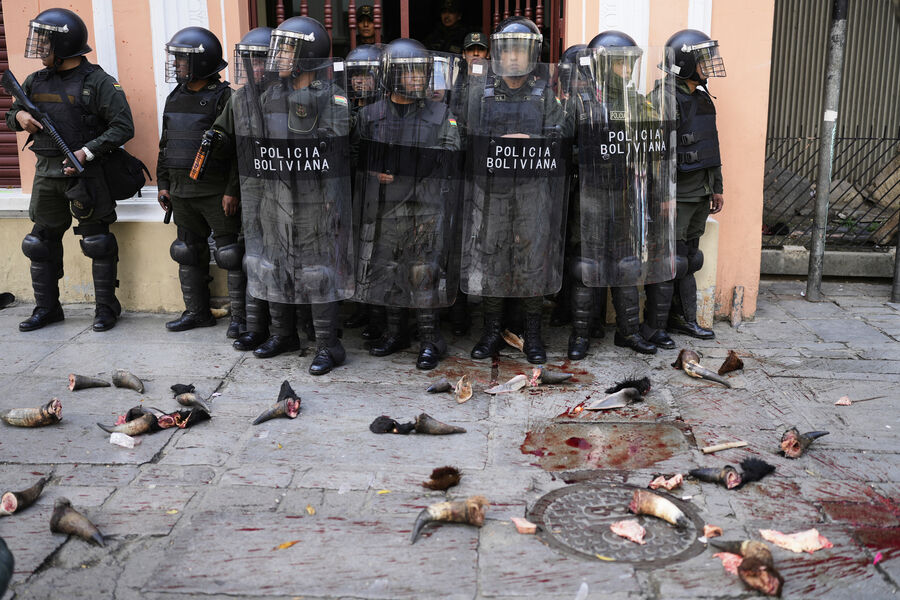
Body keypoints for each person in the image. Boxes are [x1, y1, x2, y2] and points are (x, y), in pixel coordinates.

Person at [8, 8, 134, 333]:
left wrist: (86, 151)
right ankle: (47, 309)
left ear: (63, 46)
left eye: (45, 43)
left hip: (85, 174)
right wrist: (19, 117)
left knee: (97, 242)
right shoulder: (35, 80)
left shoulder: (98, 82)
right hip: (46, 173)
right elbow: (12, 114)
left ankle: (106, 308)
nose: (39, 49)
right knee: (39, 243)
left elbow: (123, 127)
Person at [241, 16, 354, 374]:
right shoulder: (270, 96)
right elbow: (257, 151)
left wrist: (332, 202)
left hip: (313, 198)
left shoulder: (332, 98)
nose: (279, 57)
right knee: (274, 266)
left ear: (307, 54)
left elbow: (336, 150)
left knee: (316, 272)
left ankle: (328, 346)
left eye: (287, 50)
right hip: (275, 196)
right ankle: (282, 334)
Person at [460, 16, 572, 364]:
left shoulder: (544, 96)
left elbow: (560, 140)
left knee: (532, 260)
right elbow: (465, 139)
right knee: (492, 258)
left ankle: (532, 334)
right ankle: (491, 332)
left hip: (531, 191)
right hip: (491, 191)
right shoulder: (480, 94)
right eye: (507, 51)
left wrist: (533, 140)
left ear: (531, 56)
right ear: (498, 54)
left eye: (519, 52)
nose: (512, 58)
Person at [352, 38, 464, 370]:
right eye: (409, 72)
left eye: (421, 72)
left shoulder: (440, 113)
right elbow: (354, 157)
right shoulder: (369, 115)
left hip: (423, 207)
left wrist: (410, 170)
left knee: (422, 273)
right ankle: (394, 333)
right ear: (391, 75)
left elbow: (451, 153)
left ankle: (430, 339)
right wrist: (372, 173)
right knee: (387, 271)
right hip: (384, 208)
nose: (418, 78)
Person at [571, 31, 675, 357]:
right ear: (603, 66)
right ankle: (580, 336)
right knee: (588, 266)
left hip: (627, 193)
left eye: (630, 64)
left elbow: (654, 152)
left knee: (627, 264)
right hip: (590, 195)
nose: (627, 71)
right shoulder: (581, 104)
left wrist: (658, 194)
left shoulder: (639, 103)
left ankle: (628, 332)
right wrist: (589, 154)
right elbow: (562, 151)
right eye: (620, 64)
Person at [157, 27, 244, 338]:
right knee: (187, 251)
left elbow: (239, 151)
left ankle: (241, 319)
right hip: (181, 191)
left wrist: (232, 190)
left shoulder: (226, 97)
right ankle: (197, 313)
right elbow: (166, 144)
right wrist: (163, 183)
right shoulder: (175, 96)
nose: (177, 64)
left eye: (182, 59)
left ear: (201, 62)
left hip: (215, 192)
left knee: (231, 255)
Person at [209, 26, 274, 352]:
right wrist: (215, 141)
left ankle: (290, 328)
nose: (254, 68)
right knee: (253, 257)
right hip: (253, 190)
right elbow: (233, 149)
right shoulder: (239, 99)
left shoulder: (288, 97)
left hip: (286, 190)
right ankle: (255, 326)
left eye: (260, 61)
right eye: (249, 61)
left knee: (286, 257)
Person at [661, 29, 726, 340]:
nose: (709, 65)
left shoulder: (701, 98)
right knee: (675, 260)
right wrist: (664, 195)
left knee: (691, 258)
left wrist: (717, 187)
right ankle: (670, 321)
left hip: (700, 192)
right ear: (686, 64)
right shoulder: (665, 99)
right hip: (679, 195)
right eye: (703, 60)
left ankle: (680, 318)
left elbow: (712, 146)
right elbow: (657, 155)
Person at [343, 43, 385, 342]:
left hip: (377, 191)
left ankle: (377, 315)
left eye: (366, 76)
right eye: (355, 76)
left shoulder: (384, 110)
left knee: (376, 253)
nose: (360, 81)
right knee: (355, 253)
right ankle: (360, 307)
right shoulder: (343, 106)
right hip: (350, 187)